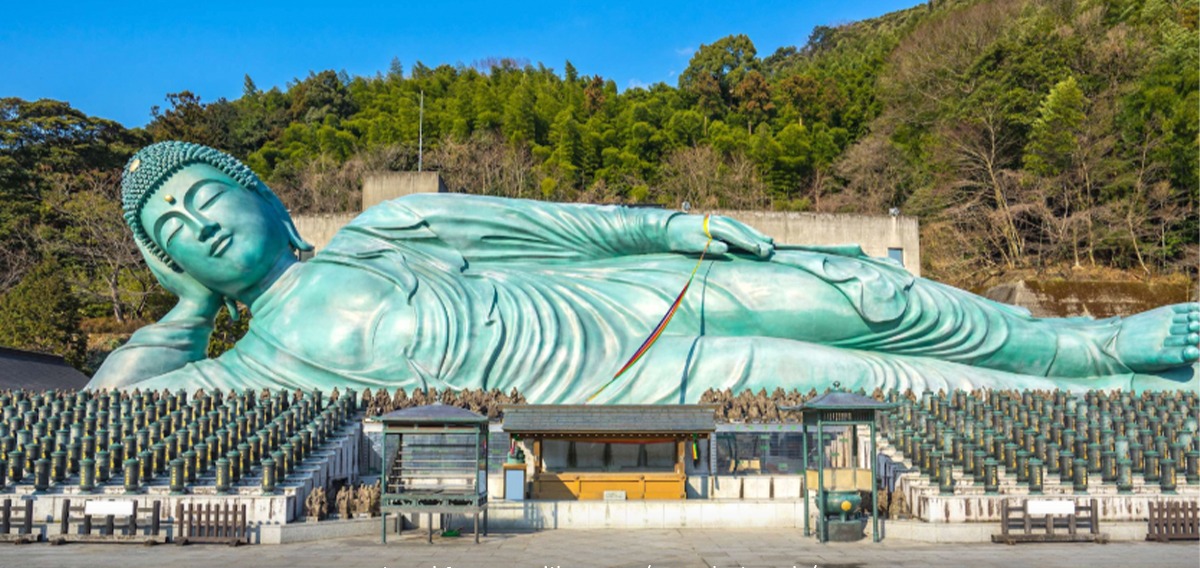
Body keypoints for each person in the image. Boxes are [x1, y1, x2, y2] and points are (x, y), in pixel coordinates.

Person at [87, 141, 1200, 401]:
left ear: (266, 197)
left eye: (204, 196)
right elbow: (112, 411)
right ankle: (1112, 391)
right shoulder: (258, 365)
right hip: (627, 384)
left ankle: (1098, 340)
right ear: (168, 259)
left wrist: (683, 225)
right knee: (877, 385)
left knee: (862, 293)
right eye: (173, 228)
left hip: (628, 297)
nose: (198, 223)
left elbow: (566, 228)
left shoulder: (402, 224)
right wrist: (186, 314)